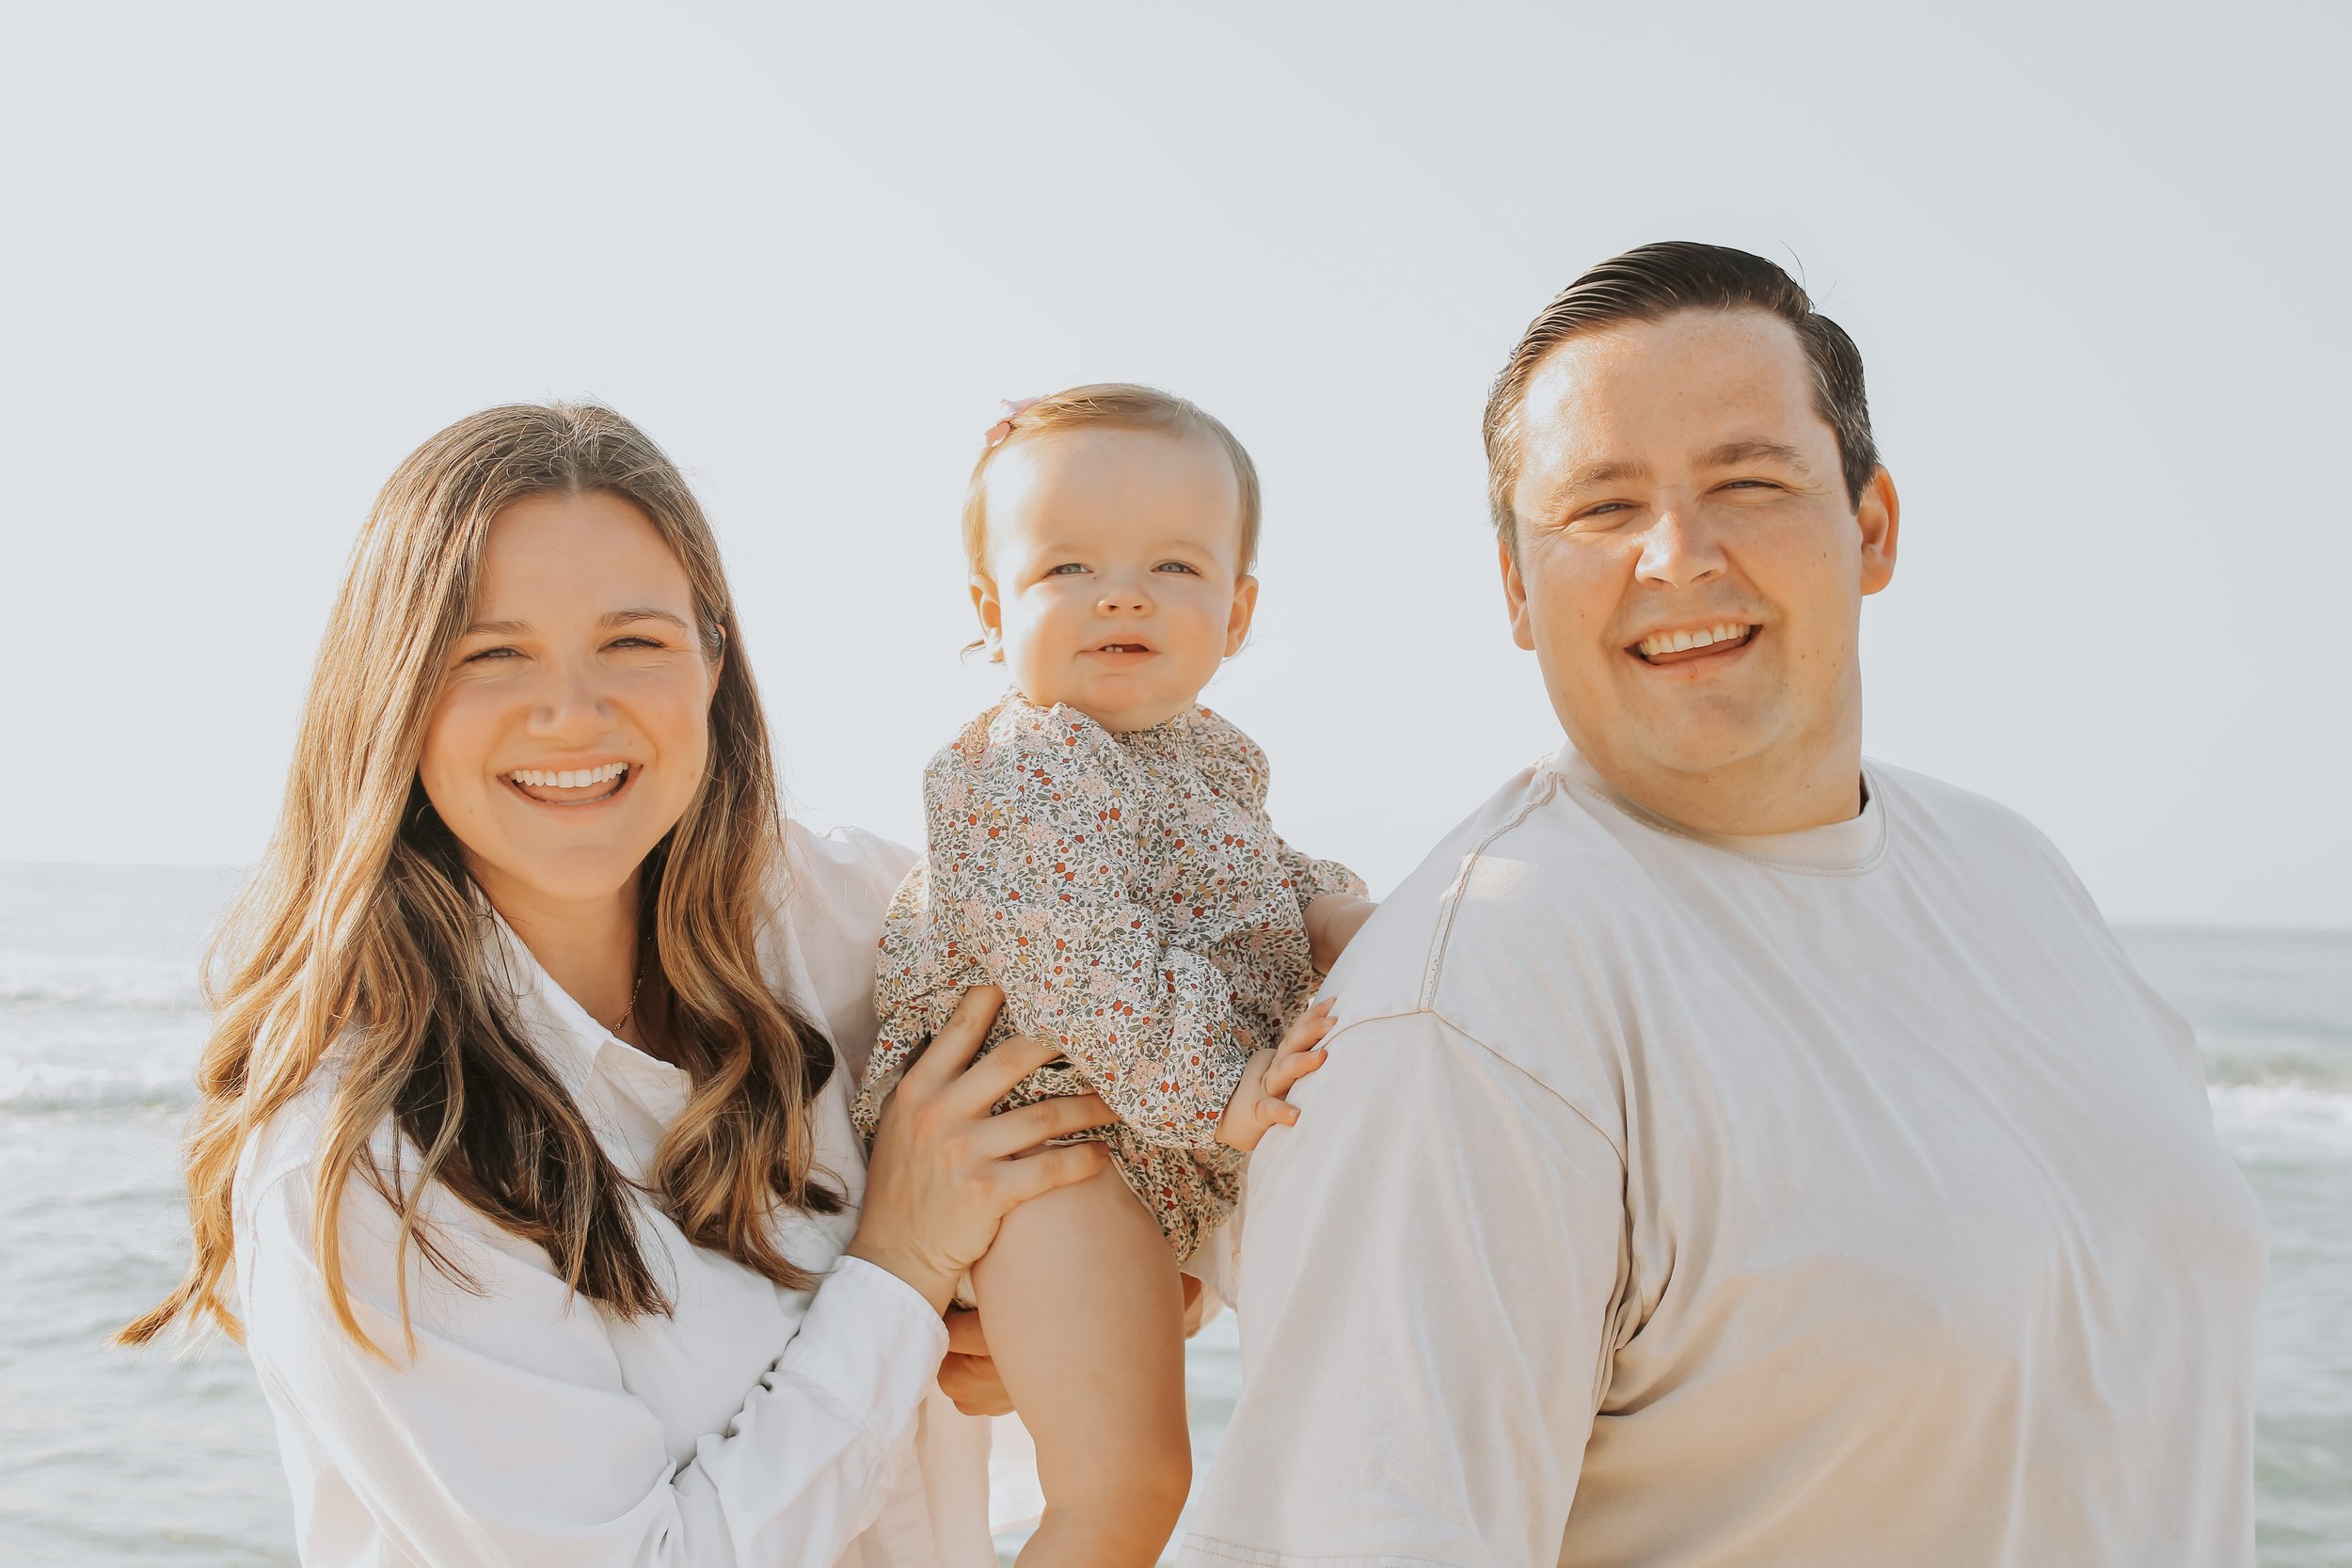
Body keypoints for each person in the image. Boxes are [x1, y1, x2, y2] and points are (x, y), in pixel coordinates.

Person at [1179, 243, 2267, 1567]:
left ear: (1870, 528)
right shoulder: (1477, 1002)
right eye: (1601, 506)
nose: (1678, 555)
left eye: (1748, 484)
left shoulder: (2014, 869)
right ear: (1519, 588)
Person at [118, 403, 1116, 1567]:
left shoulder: (857, 921)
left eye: (634, 639)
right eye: (492, 653)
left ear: (713, 663)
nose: (573, 711)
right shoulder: (366, 1156)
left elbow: (1158, 1137)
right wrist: (897, 1273)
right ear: (389, 692)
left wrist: (1056, 1309)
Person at [851, 385, 1374, 1567]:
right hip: (1040, 1146)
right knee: (1126, 1484)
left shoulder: (1204, 767)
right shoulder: (1012, 768)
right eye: (1069, 567)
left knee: (1154, 1480)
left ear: (1236, 612)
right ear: (994, 607)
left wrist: (1335, 909)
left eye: (1174, 568)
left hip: (1131, 1155)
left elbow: (1262, 878)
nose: (1123, 594)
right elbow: (1083, 955)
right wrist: (1225, 1090)